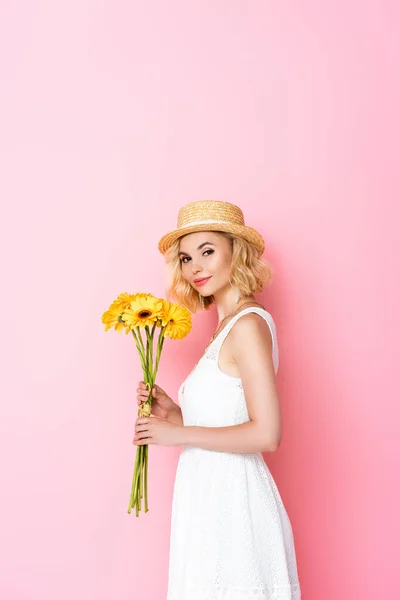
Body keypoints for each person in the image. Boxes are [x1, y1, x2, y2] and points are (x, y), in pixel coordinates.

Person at [134, 200, 301, 599]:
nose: (195, 267)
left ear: (236, 251)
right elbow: (230, 411)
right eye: (187, 258)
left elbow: (267, 434)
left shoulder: (247, 325)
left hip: (234, 504)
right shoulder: (226, 328)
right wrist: (176, 415)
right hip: (208, 500)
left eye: (208, 251)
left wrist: (177, 435)